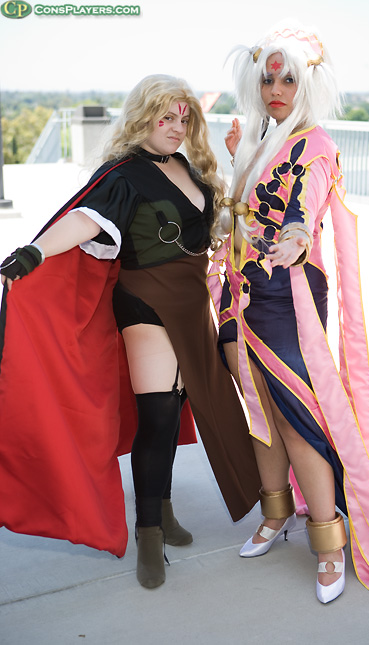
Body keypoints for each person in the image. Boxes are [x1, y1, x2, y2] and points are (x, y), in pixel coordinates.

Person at [0, 75, 260, 589]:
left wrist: (241, 161)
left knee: (176, 408)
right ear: (144, 116)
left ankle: (163, 507)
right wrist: (33, 253)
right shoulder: (124, 173)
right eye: (166, 117)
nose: (177, 127)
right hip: (145, 299)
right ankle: (148, 533)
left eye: (184, 118)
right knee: (158, 414)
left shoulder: (187, 166)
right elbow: (85, 221)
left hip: (190, 302)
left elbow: (220, 226)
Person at [207, 22, 369, 602]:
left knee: (296, 418)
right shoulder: (262, 138)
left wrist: (297, 236)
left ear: (307, 84)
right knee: (258, 408)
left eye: (287, 80)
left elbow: (303, 206)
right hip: (237, 294)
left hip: (286, 297)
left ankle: (329, 543)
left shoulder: (316, 143)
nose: (276, 90)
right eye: (267, 80)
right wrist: (238, 161)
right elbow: (246, 212)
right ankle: (276, 511)